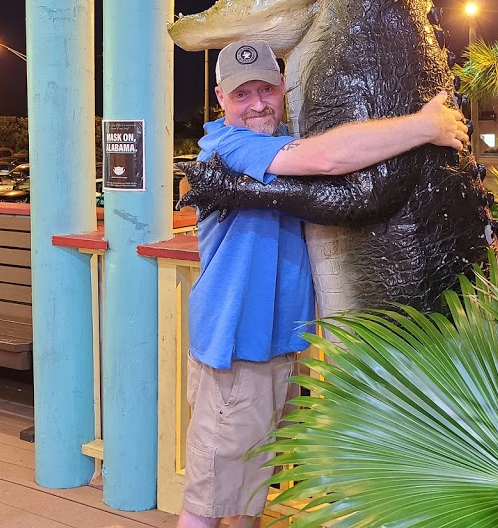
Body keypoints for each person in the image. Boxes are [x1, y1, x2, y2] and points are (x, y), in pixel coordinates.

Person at [179, 38, 468, 528]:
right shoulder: (229, 146)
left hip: (278, 349)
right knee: (208, 504)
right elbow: (329, 160)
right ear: (220, 98)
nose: (256, 104)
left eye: (265, 90)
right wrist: (426, 125)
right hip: (237, 352)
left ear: (283, 86)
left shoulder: (281, 140)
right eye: (241, 94)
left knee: (249, 493)